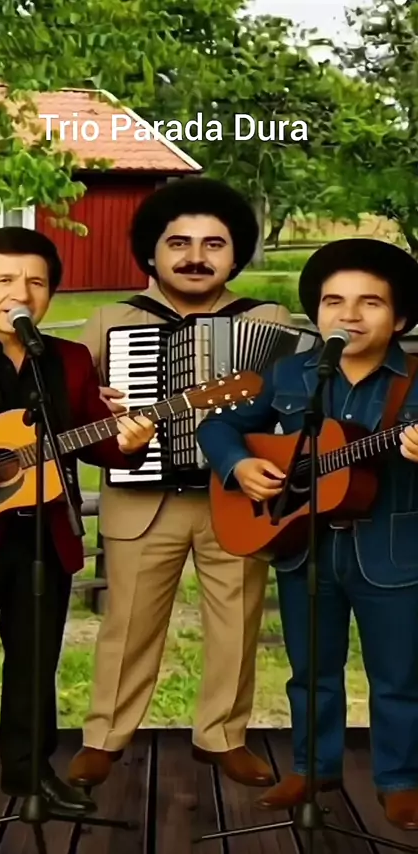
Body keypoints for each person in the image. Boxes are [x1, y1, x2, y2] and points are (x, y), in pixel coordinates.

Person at [67, 176, 292, 791]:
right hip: (143, 500)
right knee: (128, 625)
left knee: (237, 623)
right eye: (179, 243)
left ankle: (223, 736)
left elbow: (295, 406)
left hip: (238, 498)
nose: (196, 257)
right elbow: (69, 402)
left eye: (214, 244)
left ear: (235, 255)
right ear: (151, 252)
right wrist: (100, 404)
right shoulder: (114, 318)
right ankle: (103, 737)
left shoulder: (267, 319)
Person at [0, 227, 154, 838]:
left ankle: (30, 775)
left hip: (42, 539)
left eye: (36, 281)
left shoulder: (68, 360)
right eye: (4, 280)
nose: (22, 293)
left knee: (35, 665)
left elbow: (96, 441)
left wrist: (131, 441)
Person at [196, 237, 418, 831]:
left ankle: (401, 780)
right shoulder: (291, 374)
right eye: (333, 301)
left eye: (370, 302)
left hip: (392, 551)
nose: (349, 315)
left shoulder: (414, 381)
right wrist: (240, 466)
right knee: (310, 670)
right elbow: (219, 427)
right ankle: (311, 768)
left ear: (399, 318)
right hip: (306, 549)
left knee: (399, 676)